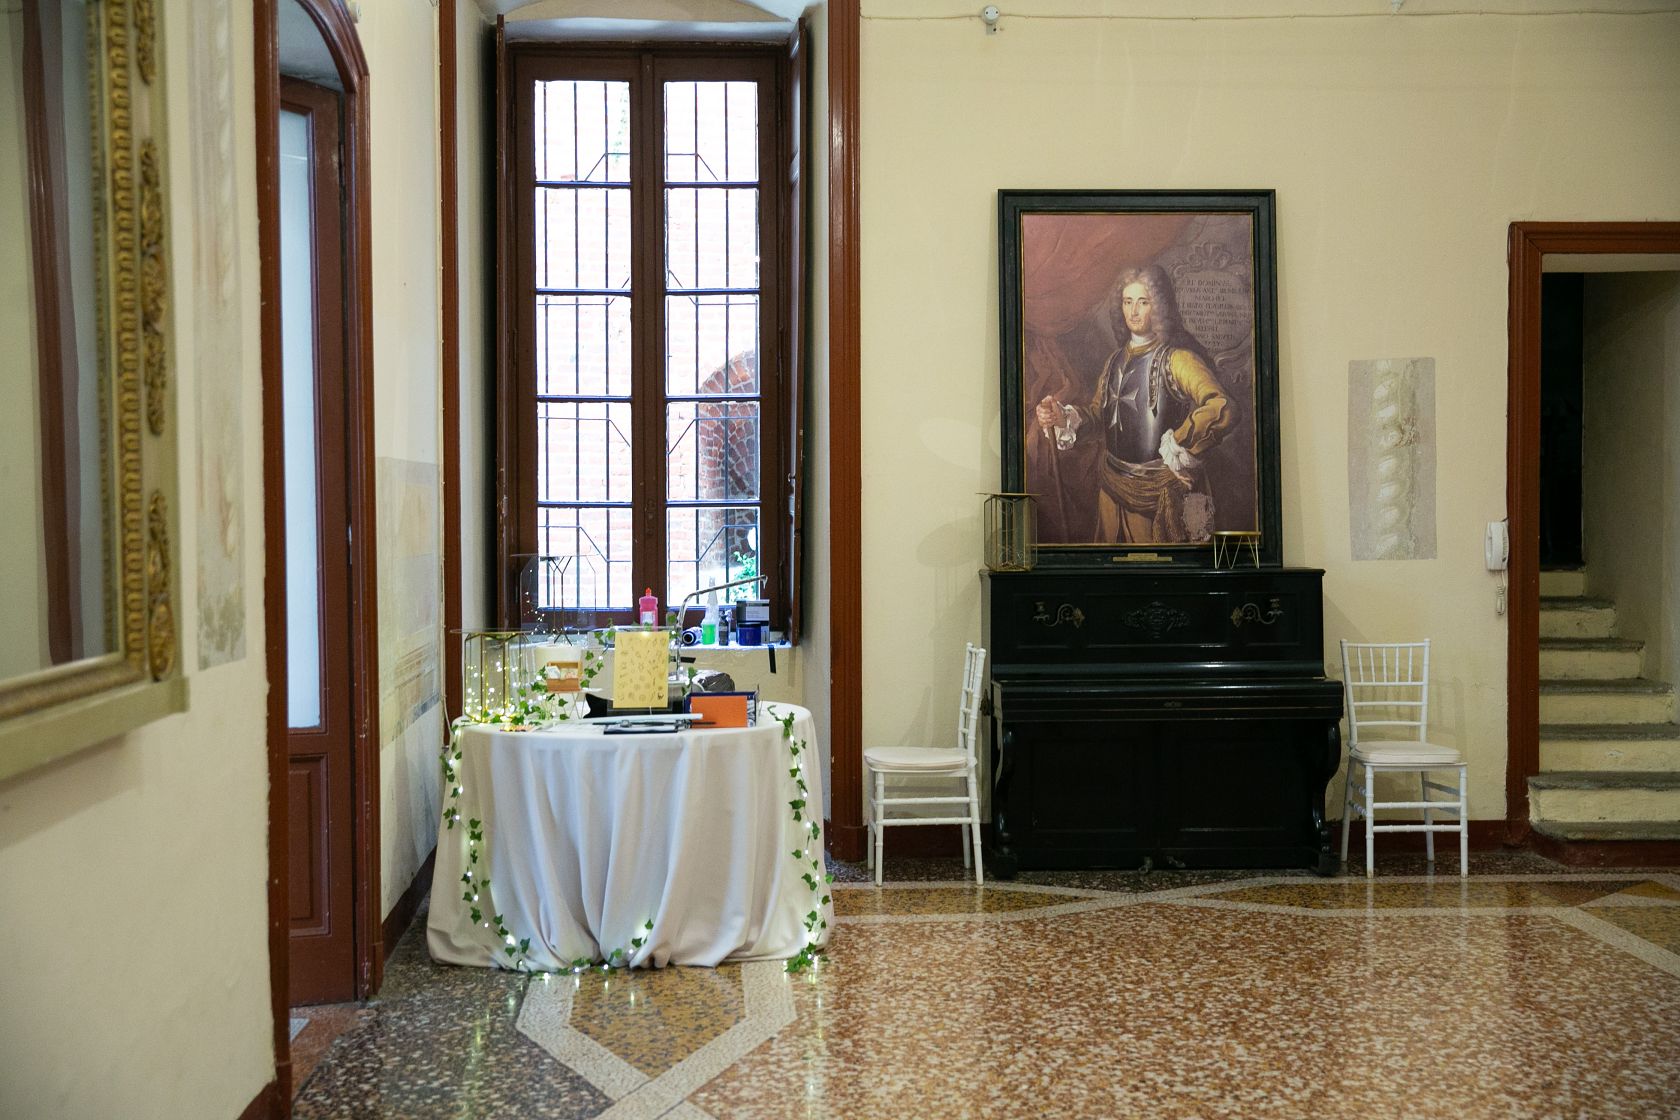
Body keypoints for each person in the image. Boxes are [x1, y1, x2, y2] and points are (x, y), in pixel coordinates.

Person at [1035, 265, 1235, 543]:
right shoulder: (1114, 361)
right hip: (1111, 493)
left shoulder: (1178, 360)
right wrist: (1062, 418)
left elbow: (1222, 406)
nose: (1134, 311)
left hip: (1160, 497)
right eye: (1127, 302)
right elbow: (1099, 418)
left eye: (1143, 302)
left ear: (1159, 306)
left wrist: (1179, 442)